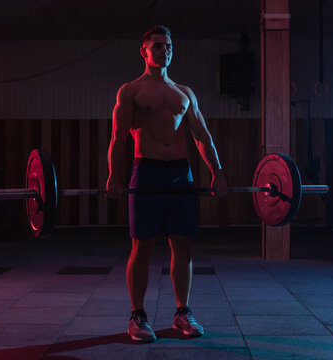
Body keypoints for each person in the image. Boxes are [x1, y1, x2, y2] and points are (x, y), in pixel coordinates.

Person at [106, 25, 228, 343]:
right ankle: (138, 316)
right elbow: (118, 138)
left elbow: (202, 136)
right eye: (158, 46)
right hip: (145, 170)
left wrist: (218, 171)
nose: (165, 50)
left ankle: (182, 312)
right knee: (142, 245)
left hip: (180, 173)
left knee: (182, 245)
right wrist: (114, 175)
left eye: (169, 46)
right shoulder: (130, 90)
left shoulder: (184, 93)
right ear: (144, 50)